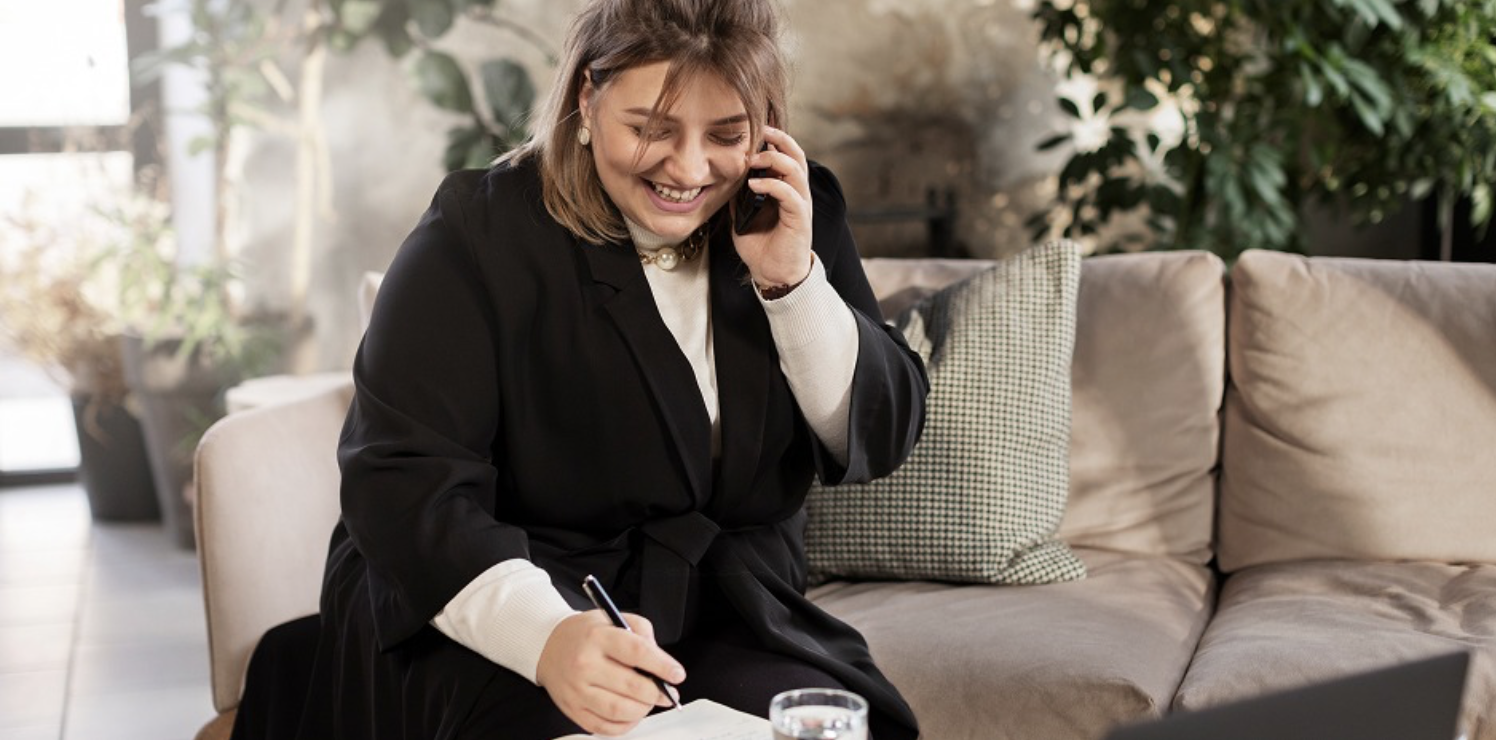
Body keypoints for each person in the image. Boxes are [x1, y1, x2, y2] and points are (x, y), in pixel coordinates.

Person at [230, 0, 928, 738]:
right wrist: (549, 640)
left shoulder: (789, 211)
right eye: (651, 130)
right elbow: (404, 482)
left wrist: (792, 284)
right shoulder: (479, 231)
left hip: (722, 606)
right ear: (587, 99)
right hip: (498, 596)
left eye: (727, 135)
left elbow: (877, 438)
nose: (689, 169)